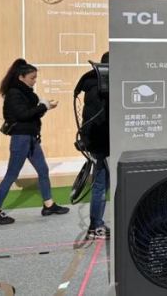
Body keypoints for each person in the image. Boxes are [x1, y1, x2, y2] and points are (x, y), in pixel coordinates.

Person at [0, 59, 69, 225]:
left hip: (30, 138)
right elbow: (23, 115)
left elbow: (32, 113)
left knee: (43, 170)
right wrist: (44, 106)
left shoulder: (25, 93)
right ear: (21, 77)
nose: (35, 80)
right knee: (12, 174)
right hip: (21, 139)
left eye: (35, 77)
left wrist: (45, 107)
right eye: (32, 78)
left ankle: (48, 204)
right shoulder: (14, 93)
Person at [74, 52, 110, 240]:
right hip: (102, 142)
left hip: (97, 142)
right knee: (100, 185)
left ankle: (96, 224)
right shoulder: (102, 86)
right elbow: (101, 118)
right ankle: (96, 225)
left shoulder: (91, 84)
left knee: (101, 184)